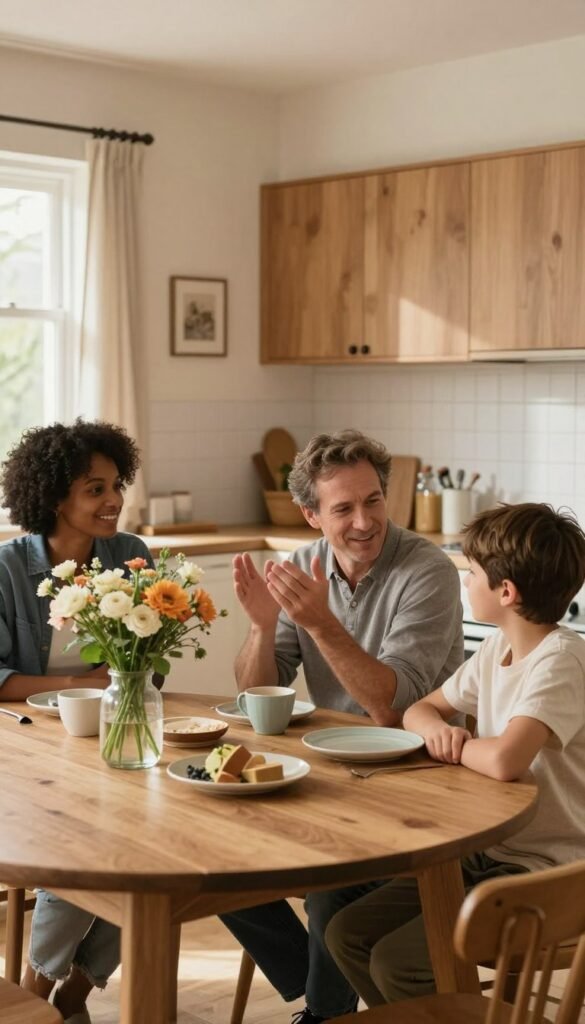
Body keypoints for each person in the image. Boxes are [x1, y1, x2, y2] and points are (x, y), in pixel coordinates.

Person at [222, 430, 464, 1023]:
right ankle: (318, 974)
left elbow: (392, 708)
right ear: (311, 515)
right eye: (344, 508)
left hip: (423, 773)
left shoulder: (426, 569)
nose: (365, 521)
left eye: (374, 500)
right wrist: (260, 627)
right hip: (333, 766)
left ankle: (324, 1013)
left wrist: (322, 625)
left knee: (330, 880)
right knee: (212, 855)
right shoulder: (301, 566)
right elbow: (257, 696)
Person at [325, 502, 585, 1009]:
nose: (466, 582)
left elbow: (507, 760)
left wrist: (456, 742)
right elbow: (420, 709)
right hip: (485, 854)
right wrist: (434, 728)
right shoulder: (496, 649)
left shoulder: (562, 660)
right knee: (345, 935)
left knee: (398, 963)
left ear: (506, 592)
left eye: (472, 574)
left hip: (546, 871)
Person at [0, 419, 154, 1024]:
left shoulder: (131, 556)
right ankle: (37, 1003)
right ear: (54, 496)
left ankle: (69, 999)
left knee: (147, 858)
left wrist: (117, 686)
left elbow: (149, 663)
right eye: (95, 489)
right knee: (84, 846)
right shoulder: (9, 568)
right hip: (28, 749)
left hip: (114, 738)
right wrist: (78, 686)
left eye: (117, 484)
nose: (113, 500)